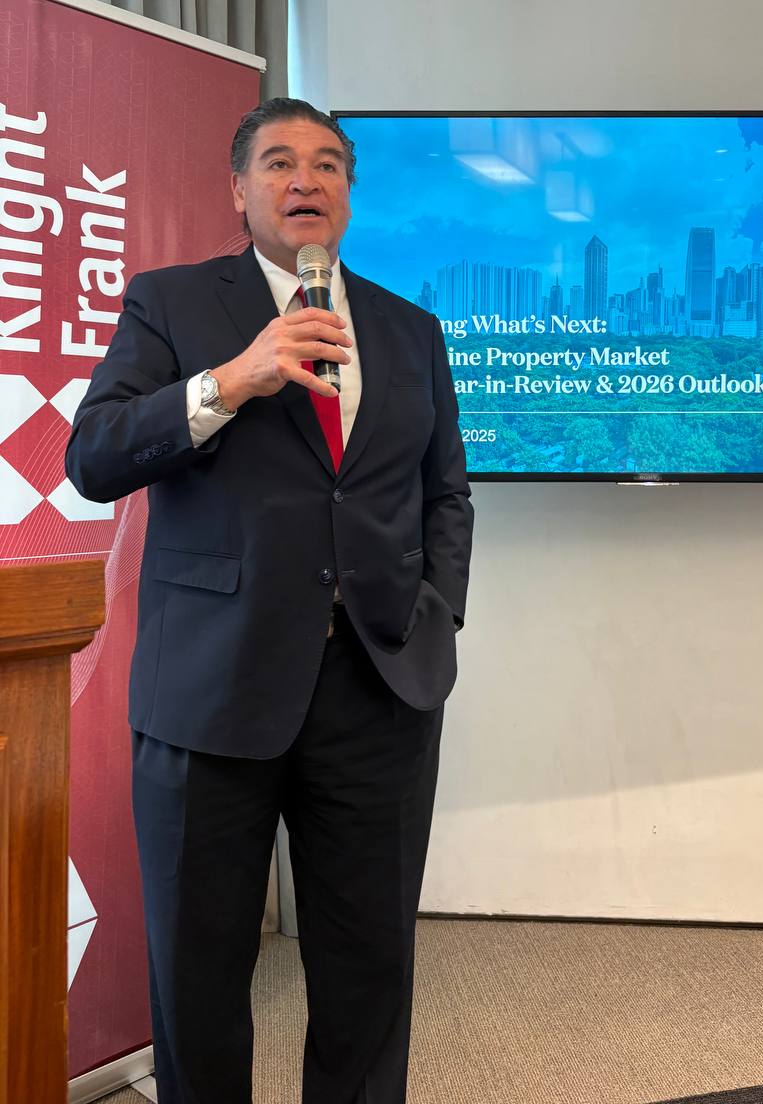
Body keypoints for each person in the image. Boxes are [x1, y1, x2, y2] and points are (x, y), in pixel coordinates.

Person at [65, 97, 474, 1104]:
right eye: (280, 161)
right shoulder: (170, 303)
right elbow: (94, 457)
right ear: (239, 190)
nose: (305, 180)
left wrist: (436, 610)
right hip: (213, 687)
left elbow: (444, 493)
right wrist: (234, 380)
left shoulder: (412, 329)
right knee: (199, 975)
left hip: (379, 687)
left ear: (349, 193)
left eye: (328, 164)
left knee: (369, 969)